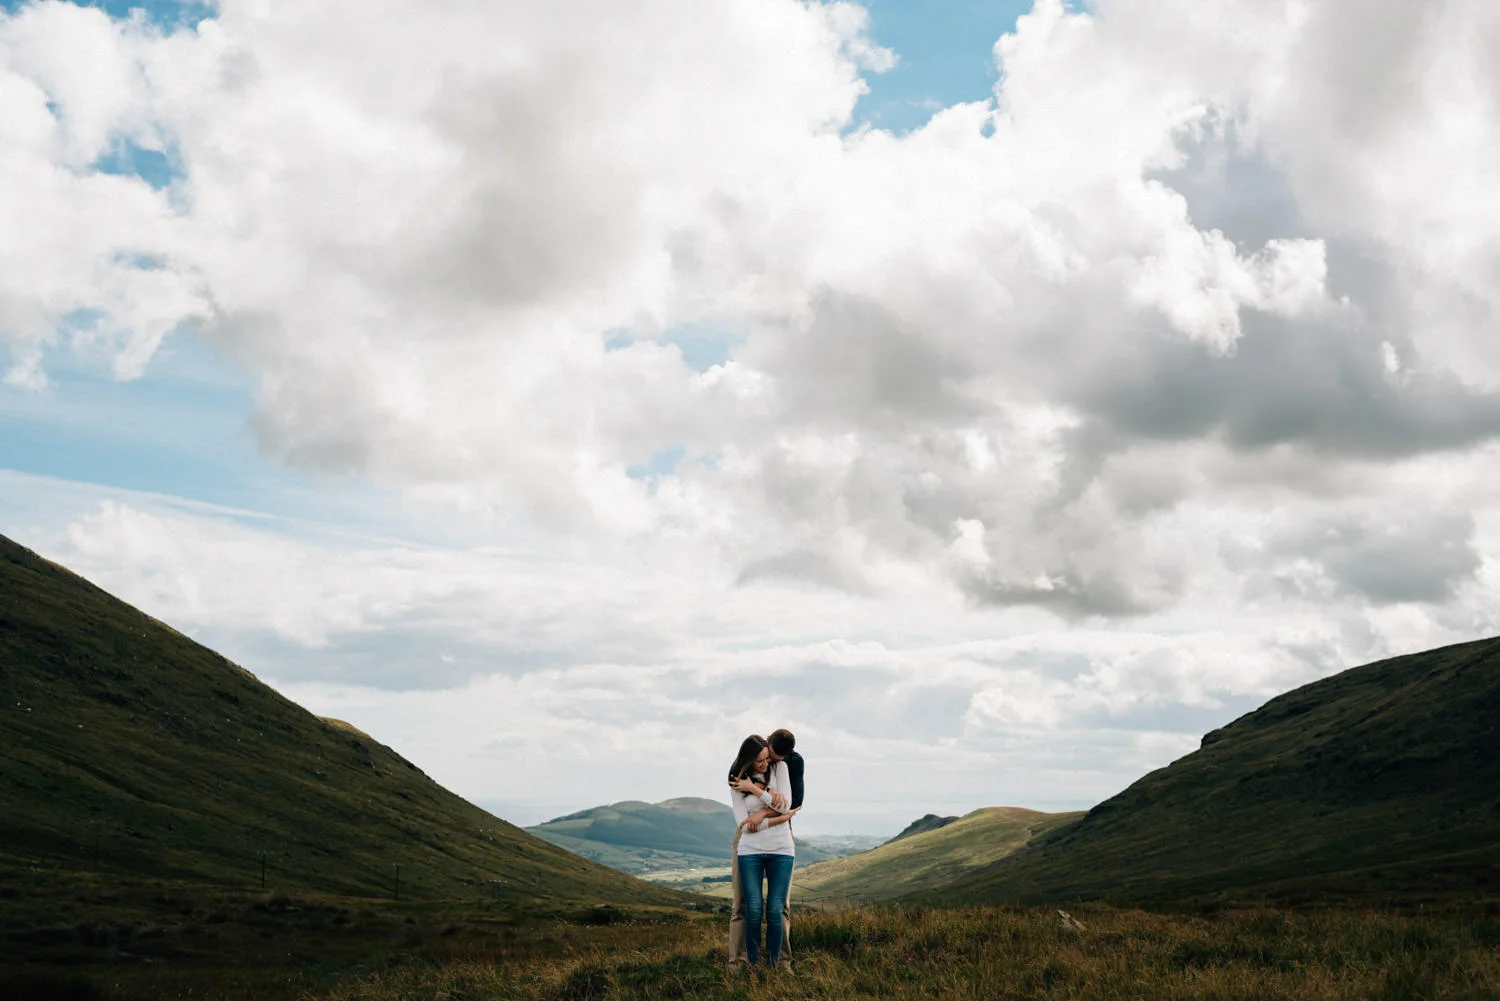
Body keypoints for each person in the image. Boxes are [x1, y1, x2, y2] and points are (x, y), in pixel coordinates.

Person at [726, 731, 799, 969]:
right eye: (760, 761)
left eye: (767, 758)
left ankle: (775, 965)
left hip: (781, 848)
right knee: (753, 910)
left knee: (776, 910)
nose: (766, 763)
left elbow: (786, 804)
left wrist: (758, 793)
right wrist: (779, 816)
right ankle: (753, 967)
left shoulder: (780, 769)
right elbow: (744, 826)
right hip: (751, 850)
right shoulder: (737, 781)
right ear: (749, 761)